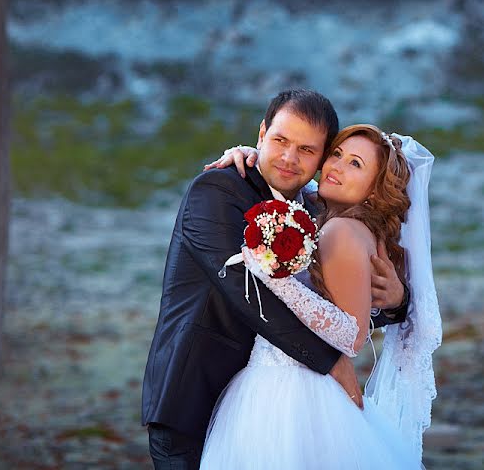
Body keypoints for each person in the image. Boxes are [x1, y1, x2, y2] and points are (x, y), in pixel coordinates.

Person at [141, 90, 411, 469]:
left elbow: (333, 301)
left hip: (272, 406)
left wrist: (396, 301)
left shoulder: (314, 208)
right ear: (262, 133)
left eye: (306, 149)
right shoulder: (216, 190)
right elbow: (243, 291)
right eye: (281, 140)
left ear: (319, 159)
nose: (288, 157)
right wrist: (329, 360)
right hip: (194, 399)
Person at [199, 124, 441, 469]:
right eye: (337, 155)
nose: (337, 167)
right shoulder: (339, 221)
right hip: (286, 380)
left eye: (356, 164)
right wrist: (254, 154)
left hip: (293, 392)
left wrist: (277, 279)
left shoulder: (341, 231)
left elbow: (351, 336)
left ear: (373, 191)